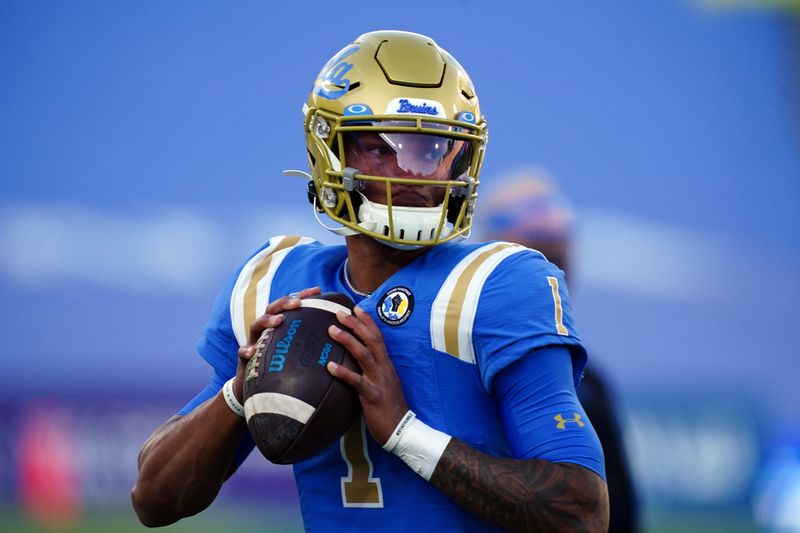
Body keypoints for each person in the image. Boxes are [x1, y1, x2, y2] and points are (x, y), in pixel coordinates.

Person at [131, 30, 610, 532]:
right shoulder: (276, 283)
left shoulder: (495, 286)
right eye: (380, 146)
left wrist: (405, 433)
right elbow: (154, 500)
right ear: (330, 153)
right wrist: (239, 390)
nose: (410, 173)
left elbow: (583, 513)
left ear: (460, 160)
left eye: (431, 150)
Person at [481, 172, 639, 533]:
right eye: (531, 264)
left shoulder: (590, 384)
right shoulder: (443, 360)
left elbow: (621, 513)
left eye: (557, 267)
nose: (547, 284)